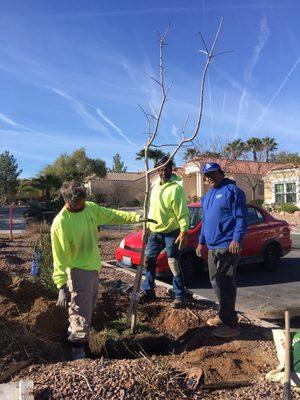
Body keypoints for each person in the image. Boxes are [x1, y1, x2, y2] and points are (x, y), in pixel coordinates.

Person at [51, 181, 154, 360]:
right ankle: (78, 353)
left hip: (92, 269)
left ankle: (72, 333)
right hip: (77, 271)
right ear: (69, 201)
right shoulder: (61, 223)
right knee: (81, 312)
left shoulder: (90, 208)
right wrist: (60, 285)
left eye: (84, 201)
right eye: (80, 203)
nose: (83, 205)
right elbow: (58, 255)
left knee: (86, 308)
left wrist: (136, 218)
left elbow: (112, 215)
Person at [196, 162, 248, 338]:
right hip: (212, 246)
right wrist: (200, 242)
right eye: (206, 175)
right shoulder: (207, 196)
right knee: (215, 281)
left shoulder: (233, 192)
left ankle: (231, 324)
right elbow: (205, 221)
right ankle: (224, 314)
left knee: (225, 281)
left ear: (221, 173)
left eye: (212, 174)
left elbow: (241, 218)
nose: (209, 178)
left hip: (227, 244)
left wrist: (236, 239)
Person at [140, 156, 190, 308]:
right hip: (155, 232)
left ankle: (179, 295)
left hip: (171, 232)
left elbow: (183, 212)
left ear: (171, 169)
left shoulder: (176, 188)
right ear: (158, 170)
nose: (164, 172)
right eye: (161, 169)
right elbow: (151, 209)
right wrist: (146, 228)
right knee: (148, 261)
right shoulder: (155, 187)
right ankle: (149, 292)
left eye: (167, 169)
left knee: (173, 263)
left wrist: (184, 231)